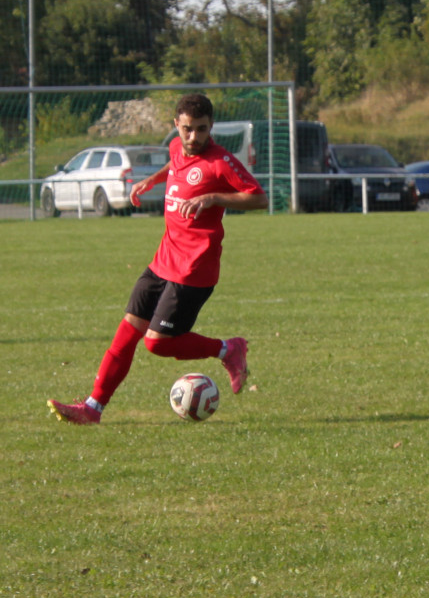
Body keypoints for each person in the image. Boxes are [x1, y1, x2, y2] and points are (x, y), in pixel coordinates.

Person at [48, 93, 268, 425]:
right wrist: (154, 179)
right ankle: (92, 408)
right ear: (176, 126)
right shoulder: (177, 148)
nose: (194, 137)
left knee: (157, 344)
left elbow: (259, 198)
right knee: (126, 332)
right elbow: (177, 163)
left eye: (202, 130)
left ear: (212, 127)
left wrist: (212, 198)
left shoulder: (221, 161)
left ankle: (227, 349)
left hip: (194, 270)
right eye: (188, 129)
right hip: (163, 260)